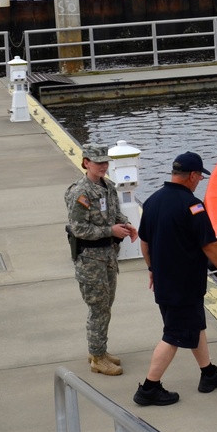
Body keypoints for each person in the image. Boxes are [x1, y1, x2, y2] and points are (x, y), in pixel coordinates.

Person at [133, 152, 217, 406]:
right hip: (184, 284)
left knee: (194, 325)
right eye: (200, 177)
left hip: (165, 282)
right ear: (192, 176)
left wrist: (152, 269)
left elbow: (144, 243)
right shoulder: (193, 206)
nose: (199, 182)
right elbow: (211, 246)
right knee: (174, 334)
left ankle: (209, 373)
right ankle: (149, 387)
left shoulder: (152, 201)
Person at [65, 143, 138, 377]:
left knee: (106, 306)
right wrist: (110, 231)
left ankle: (99, 350)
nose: (103, 166)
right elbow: (78, 229)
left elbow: (115, 212)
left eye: (105, 162)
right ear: (86, 162)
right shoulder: (80, 192)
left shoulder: (107, 187)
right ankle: (97, 357)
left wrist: (126, 224)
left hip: (107, 257)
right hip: (90, 260)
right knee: (98, 308)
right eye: (98, 163)